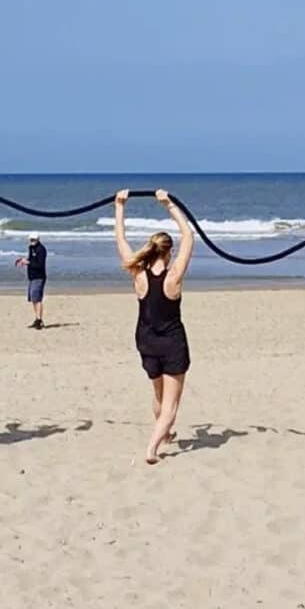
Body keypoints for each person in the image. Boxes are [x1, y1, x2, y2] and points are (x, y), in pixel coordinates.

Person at [114, 189, 194, 465]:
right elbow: (189, 236)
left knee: (159, 394)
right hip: (171, 343)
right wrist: (168, 203)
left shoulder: (139, 275)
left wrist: (119, 206)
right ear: (168, 252)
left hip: (146, 341)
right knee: (170, 405)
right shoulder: (173, 277)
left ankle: (165, 433)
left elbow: (121, 240)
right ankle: (152, 447)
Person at [16, 232, 48, 328]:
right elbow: (31, 259)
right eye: (31, 240)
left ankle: (39, 320)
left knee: (37, 298)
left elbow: (40, 265)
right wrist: (23, 261)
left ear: (38, 239)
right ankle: (37, 318)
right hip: (32, 276)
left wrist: (28, 263)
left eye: (34, 240)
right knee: (33, 298)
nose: (32, 241)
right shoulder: (31, 248)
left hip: (39, 276)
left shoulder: (41, 250)